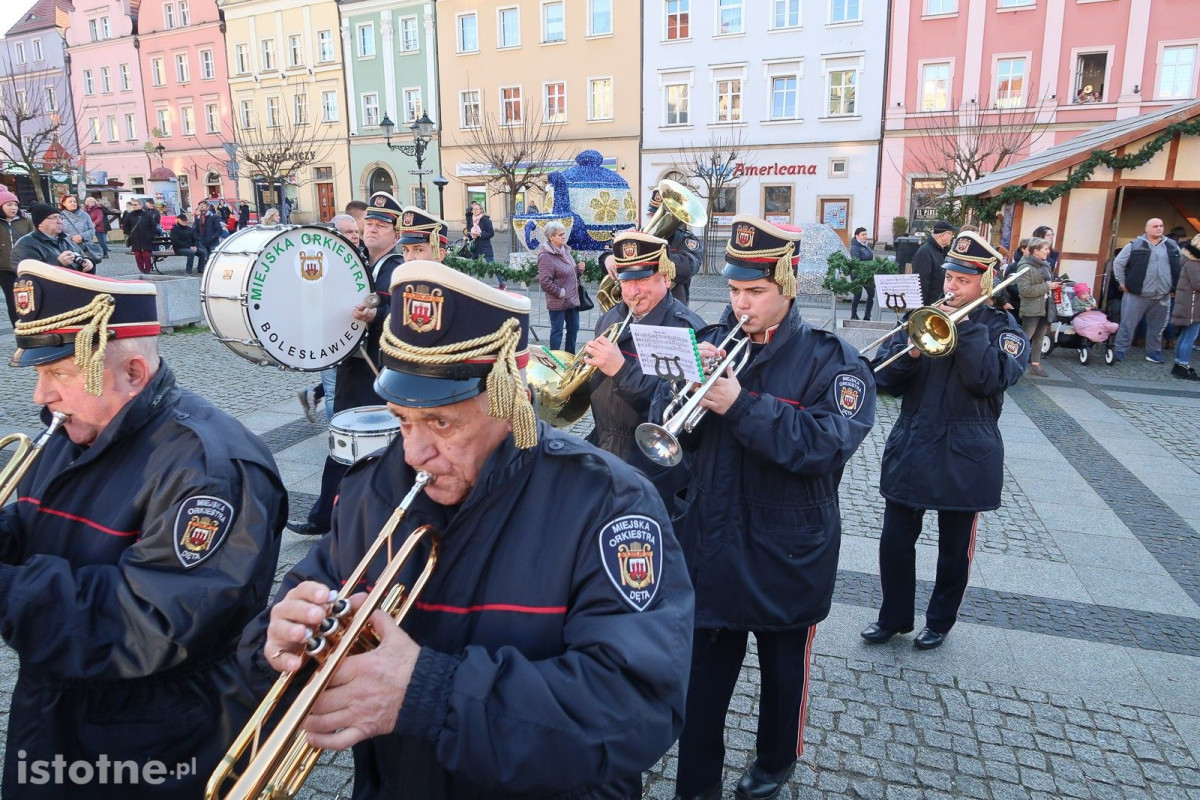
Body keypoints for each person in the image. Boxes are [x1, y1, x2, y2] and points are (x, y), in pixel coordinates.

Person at [242, 260, 693, 799]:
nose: (414, 452)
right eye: (402, 418)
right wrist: (276, 642)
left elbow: (637, 707)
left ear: (510, 398)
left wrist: (430, 693)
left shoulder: (609, 502)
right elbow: (290, 617)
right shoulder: (373, 489)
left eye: (441, 422)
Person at [3, 261, 287, 798]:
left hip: (154, 738)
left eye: (60, 374)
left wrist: (9, 589)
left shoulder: (208, 468)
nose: (41, 396)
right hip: (59, 707)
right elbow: (42, 522)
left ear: (133, 373)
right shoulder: (77, 429)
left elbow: (151, 624)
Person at [661, 214, 876, 800]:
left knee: (784, 676)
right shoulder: (712, 340)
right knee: (702, 685)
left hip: (788, 549)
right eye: (734, 289)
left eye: (755, 291)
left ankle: (775, 761)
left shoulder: (832, 360)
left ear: (789, 284)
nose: (740, 303)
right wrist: (681, 386)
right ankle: (696, 784)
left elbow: (824, 447)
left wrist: (740, 403)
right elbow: (674, 434)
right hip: (714, 541)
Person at [862, 232, 1029, 653]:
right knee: (895, 539)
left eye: (962, 281)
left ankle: (939, 621)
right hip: (914, 442)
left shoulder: (1003, 330)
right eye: (949, 277)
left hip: (967, 450)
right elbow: (884, 379)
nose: (951, 287)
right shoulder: (921, 318)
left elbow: (989, 379)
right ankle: (893, 617)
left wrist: (965, 328)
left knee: (954, 550)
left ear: (985, 283)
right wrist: (911, 353)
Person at [287, 199, 447, 536]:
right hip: (353, 365)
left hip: (380, 369)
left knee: (375, 447)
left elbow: (409, 318)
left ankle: (355, 520)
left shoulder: (396, 269)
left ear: (394, 235)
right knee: (342, 441)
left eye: (381, 226)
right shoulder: (356, 262)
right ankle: (327, 516)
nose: (371, 229)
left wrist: (376, 315)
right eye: (369, 223)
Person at [581, 231, 703, 508]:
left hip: (655, 470)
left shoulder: (685, 328)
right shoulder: (611, 317)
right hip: (606, 451)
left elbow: (680, 410)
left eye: (643, 280)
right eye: (626, 281)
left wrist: (622, 370)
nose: (632, 292)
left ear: (667, 278)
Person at [298, 213, 362, 423]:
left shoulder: (361, 260)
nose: (355, 236)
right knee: (333, 391)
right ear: (335, 234)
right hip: (327, 336)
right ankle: (335, 436)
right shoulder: (321, 264)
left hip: (353, 336)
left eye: (356, 232)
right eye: (349, 232)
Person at [1113, 218, 1181, 363]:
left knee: (1158, 327)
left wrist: (1176, 286)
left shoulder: (1172, 245)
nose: (1159, 228)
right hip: (1136, 294)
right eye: (1155, 226)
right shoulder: (1135, 245)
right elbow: (1118, 263)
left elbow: (1179, 265)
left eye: (1161, 226)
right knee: (1127, 324)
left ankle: (1153, 352)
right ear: (1147, 229)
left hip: (1162, 295)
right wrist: (1122, 282)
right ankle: (1119, 349)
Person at [537, 220, 586, 354]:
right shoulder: (545, 256)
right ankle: (554, 359)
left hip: (572, 300)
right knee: (557, 332)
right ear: (551, 237)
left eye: (564, 234)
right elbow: (545, 281)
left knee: (573, 329)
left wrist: (578, 270)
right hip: (558, 302)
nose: (564, 236)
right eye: (560, 234)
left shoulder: (565, 250)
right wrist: (561, 293)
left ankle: (569, 357)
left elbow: (569, 273)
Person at [1015, 237, 1060, 377]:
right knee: (1025, 337)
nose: (1048, 251)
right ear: (1036, 251)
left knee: (1040, 336)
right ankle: (1014, 364)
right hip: (1031, 308)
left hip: (1045, 306)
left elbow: (1047, 283)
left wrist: (1056, 285)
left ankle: (1035, 364)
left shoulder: (1045, 265)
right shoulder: (1024, 267)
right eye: (1045, 249)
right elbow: (1025, 290)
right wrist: (1047, 287)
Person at [11, 203, 96, 274]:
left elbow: (82, 256)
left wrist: (88, 263)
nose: (60, 221)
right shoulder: (26, 244)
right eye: (54, 217)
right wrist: (58, 264)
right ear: (40, 223)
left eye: (60, 217)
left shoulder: (64, 240)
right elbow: (27, 273)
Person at [0, 189, 33, 326]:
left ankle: (30, 324)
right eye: (9, 205)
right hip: (4, 268)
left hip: (24, 267)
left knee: (28, 297)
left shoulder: (26, 221)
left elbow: (33, 241)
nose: (13, 208)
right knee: (11, 299)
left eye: (15, 204)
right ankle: (17, 326)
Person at [1170, 235, 1200, 380]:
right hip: (1193, 306)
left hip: (1189, 304)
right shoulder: (1195, 263)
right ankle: (1183, 365)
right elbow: (1198, 284)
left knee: (1184, 335)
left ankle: (1179, 364)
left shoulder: (1189, 261)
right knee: (1190, 336)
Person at [909, 220, 955, 306]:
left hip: (940, 303)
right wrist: (923, 309)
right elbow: (921, 284)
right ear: (943, 235)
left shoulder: (943, 251)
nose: (952, 237)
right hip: (930, 306)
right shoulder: (924, 252)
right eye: (951, 234)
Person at [124, 199, 161, 274]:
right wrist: (130, 234)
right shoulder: (129, 215)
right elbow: (126, 226)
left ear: (140, 205)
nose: (133, 206)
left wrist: (151, 236)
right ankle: (141, 269)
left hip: (146, 238)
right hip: (135, 239)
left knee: (146, 255)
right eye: (132, 205)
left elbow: (153, 226)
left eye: (135, 204)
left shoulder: (147, 215)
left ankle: (147, 270)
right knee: (138, 255)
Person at [58, 194, 98, 261]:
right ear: (64, 203)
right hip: (68, 247)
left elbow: (92, 230)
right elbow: (57, 232)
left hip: (85, 246)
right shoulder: (60, 216)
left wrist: (82, 236)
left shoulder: (84, 215)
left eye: (74, 201)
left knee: (87, 264)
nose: (73, 203)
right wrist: (71, 237)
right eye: (70, 202)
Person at [850, 226, 876, 320]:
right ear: (857, 236)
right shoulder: (855, 248)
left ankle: (867, 315)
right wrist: (867, 265)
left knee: (871, 293)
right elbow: (856, 261)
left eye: (866, 234)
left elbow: (870, 258)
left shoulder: (866, 245)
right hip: (857, 274)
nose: (865, 236)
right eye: (863, 234)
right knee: (858, 294)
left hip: (867, 274)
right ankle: (854, 315)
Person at [195, 200, 225, 269]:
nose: (202, 207)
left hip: (213, 241)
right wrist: (199, 238)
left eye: (204, 205)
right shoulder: (198, 218)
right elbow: (195, 230)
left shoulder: (214, 217)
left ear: (208, 207)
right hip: (203, 242)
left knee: (213, 259)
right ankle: (206, 270)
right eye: (200, 206)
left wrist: (213, 237)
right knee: (206, 258)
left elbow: (219, 229)